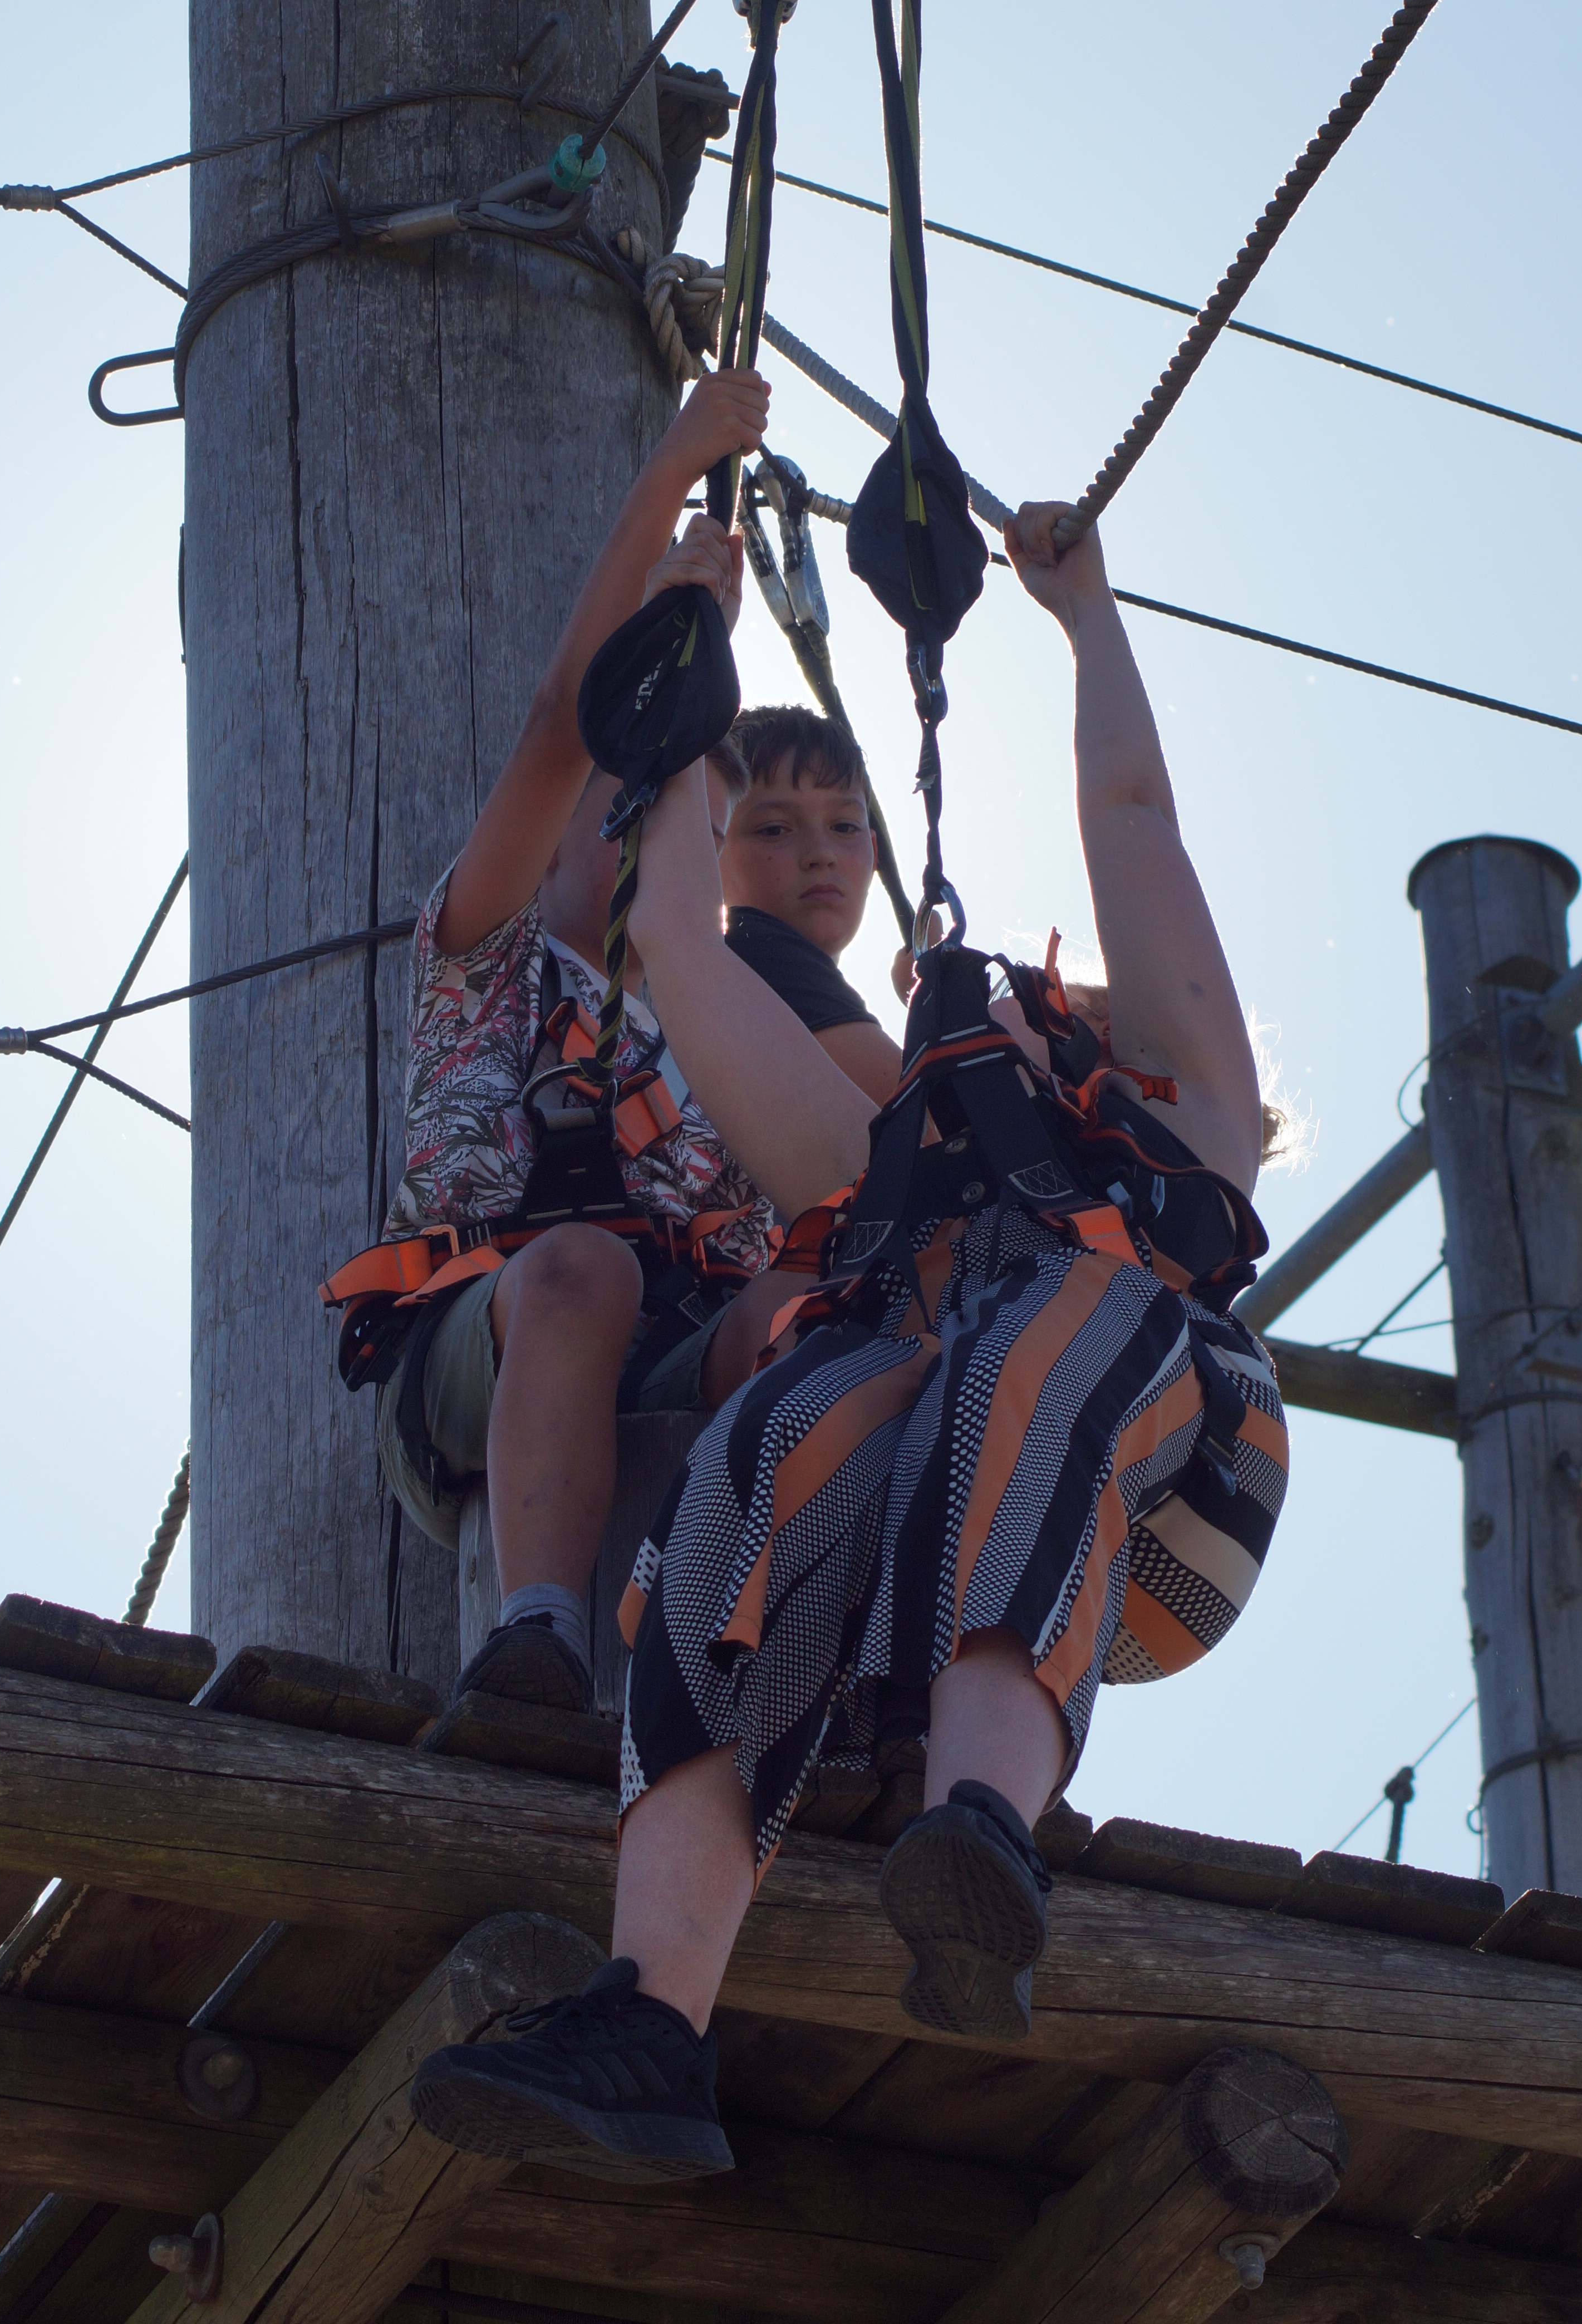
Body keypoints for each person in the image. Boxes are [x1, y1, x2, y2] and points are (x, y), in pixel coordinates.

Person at [412, 500, 1287, 2181]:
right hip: (940, 1490)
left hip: (1171, 1482)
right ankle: (650, 2014)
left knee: (1041, 1330)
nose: (998, 1028)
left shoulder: (1180, 1128)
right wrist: (691, 682)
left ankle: (979, 1828)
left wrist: (1086, 620)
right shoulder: (879, 1178)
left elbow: (1130, 818)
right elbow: (677, 943)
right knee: (781, 1424)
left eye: (1036, 1016)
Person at [346, 374, 795, 1718]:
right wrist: (671, 495)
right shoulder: (489, 959)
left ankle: (795, 1676)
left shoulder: (724, 1040)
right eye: (624, 802)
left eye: (682, 826)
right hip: (487, 1343)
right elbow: (561, 720)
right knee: (582, 1266)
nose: (646, 834)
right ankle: (535, 1630)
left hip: (669, 1343)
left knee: (810, 1314)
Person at [719, 705, 902, 1111]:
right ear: (711, 849)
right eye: (774, 830)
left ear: (873, 854)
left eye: (844, 827)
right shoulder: (755, 955)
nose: (821, 854)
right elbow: (925, 1118)